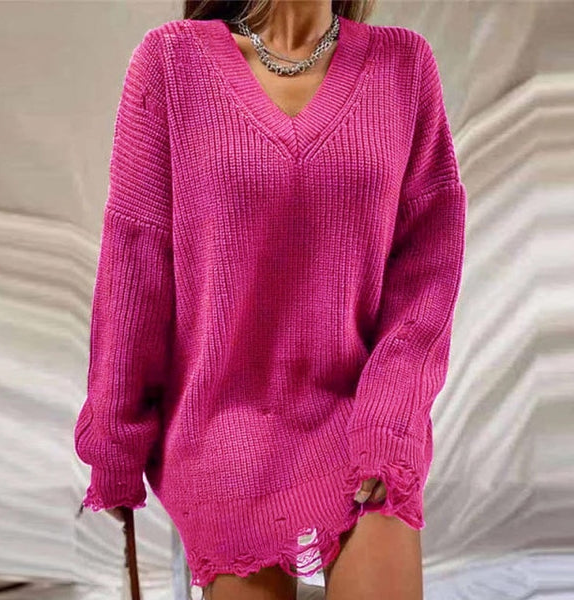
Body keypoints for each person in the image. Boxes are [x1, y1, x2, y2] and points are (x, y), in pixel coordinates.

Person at [73, 1, 467, 599]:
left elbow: (426, 274)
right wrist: (115, 445)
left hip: (358, 416)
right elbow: (135, 267)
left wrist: (390, 421)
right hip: (220, 427)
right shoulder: (171, 64)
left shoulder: (403, 66)